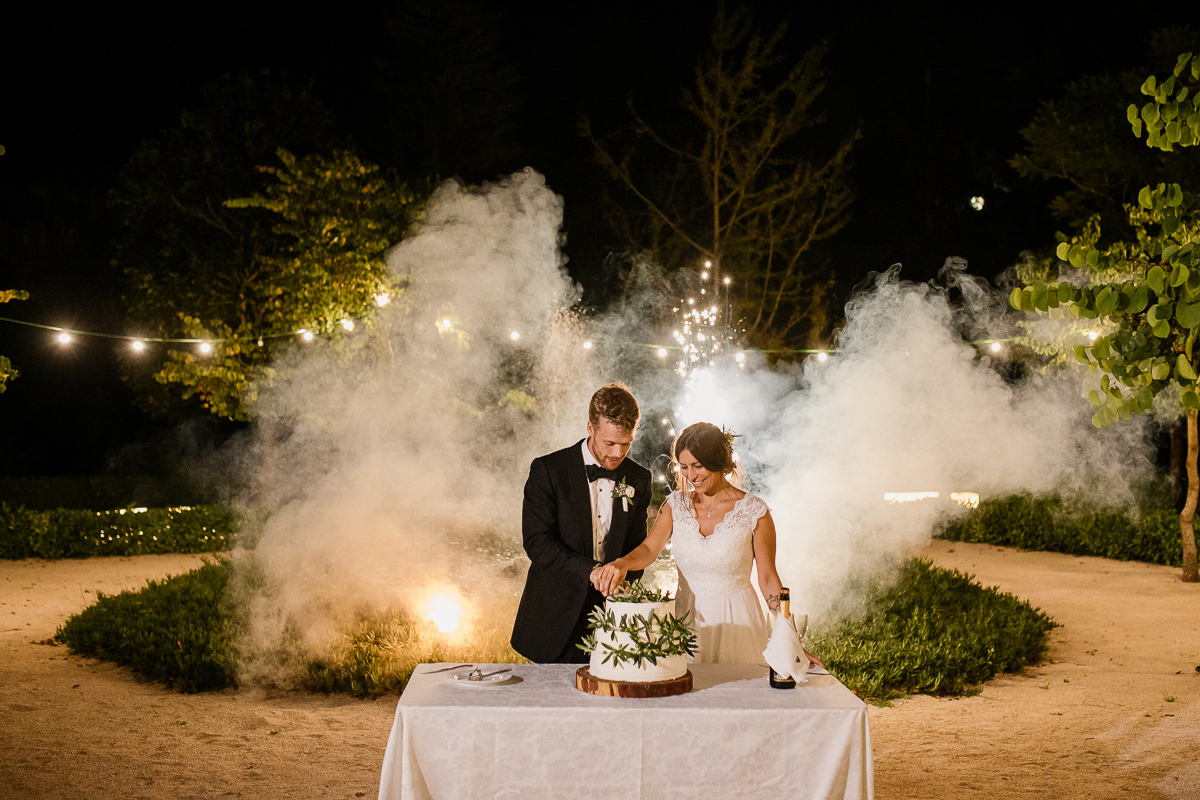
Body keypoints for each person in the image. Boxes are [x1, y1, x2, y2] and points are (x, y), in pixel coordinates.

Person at [593, 422, 820, 666]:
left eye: (698, 466)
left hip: (739, 624)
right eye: (684, 467)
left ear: (719, 461)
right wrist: (621, 564)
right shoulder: (675, 505)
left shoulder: (755, 512)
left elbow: (768, 579)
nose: (691, 476)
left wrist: (790, 638)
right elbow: (649, 549)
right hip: (687, 622)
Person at [510, 383, 653, 663]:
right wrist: (592, 572)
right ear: (590, 427)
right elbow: (537, 542)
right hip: (554, 616)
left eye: (626, 444)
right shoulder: (549, 470)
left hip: (613, 621)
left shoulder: (638, 478)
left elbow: (637, 546)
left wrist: (622, 583)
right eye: (609, 443)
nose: (617, 453)